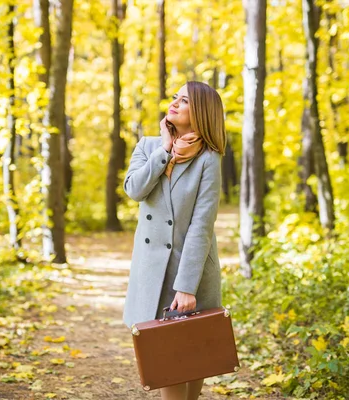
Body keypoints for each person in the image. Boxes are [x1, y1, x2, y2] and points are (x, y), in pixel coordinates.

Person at [122, 81, 226, 400]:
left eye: (185, 100)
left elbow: (201, 225)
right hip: (152, 270)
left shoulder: (209, 159)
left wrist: (187, 285)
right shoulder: (149, 146)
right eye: (174, 98)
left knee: (193, 356)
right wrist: (164, 150)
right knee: (165, 355)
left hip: (188, 269)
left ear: (202, 113)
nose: (175, 103)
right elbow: (134, 189)